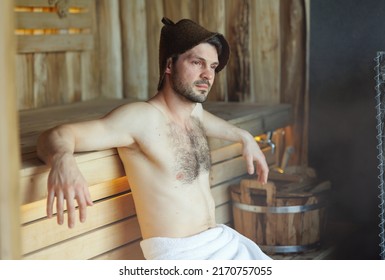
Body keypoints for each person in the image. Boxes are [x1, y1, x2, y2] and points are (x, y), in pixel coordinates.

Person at [37, 17, 271, 260]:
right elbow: (56, 135)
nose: (207, 75)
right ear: (169, 65)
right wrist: (62, 160)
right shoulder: (141, 118)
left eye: (212, 67)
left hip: (219, 243)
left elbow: (210, 121)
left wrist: (244, 137)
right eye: (197, 63)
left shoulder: (194, 114)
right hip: (182, 257)